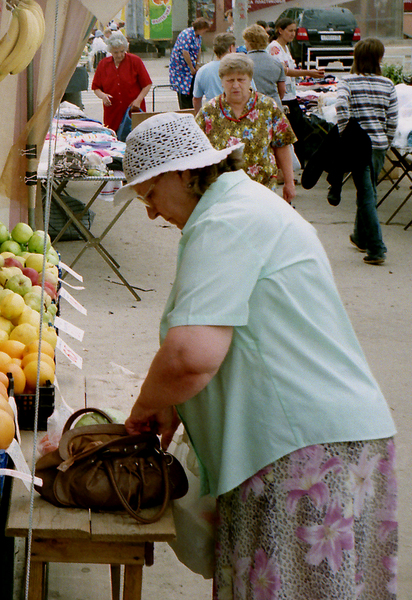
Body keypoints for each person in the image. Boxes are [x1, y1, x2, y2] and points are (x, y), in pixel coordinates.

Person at [117, 111, 397, 599]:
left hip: (304, 449)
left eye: (149, 194)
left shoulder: (227, 220)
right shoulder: (236, 207)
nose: (151, 213)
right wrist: (171, 403)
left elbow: (191, 355)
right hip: (318, 440)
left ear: (184, 173)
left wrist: (145, 408)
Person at [195, 53, 296, 202]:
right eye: (230, 80)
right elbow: (196, 150)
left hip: (262, 188)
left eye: (241, 79)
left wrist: (289, 182)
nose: (236, 85)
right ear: (221, 81)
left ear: (250, 80)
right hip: (221, 192)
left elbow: (282, 145)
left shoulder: (267, 107)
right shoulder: (209, 111)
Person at [336, 38, 398, 266]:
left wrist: (345, 134)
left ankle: (376, 247)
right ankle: (359, 235)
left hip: (358, 146)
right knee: (369, 191)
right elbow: (393, 118)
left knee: (366, 193)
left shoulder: (347, 82)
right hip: (379, 145)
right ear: (379, 58)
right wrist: (387, 140)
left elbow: (341, 107)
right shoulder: (387, 84)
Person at [267, 17, 324, 166]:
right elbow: (283, 71)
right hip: (283, 97)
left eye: (295, 31)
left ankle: (297, 164)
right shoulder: (274, 48)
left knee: (298, 131)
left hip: (291, 94)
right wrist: (307, 73)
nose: (293, 34)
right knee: (290, 132)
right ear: (280, 30)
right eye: (290, 30)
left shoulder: (286, 47)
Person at [91, 31, 152, 132]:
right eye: (116, 52)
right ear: (110, 51)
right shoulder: (103, 64)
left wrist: (138, 100)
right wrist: (103, 96)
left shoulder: (135, 61)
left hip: (133, 110)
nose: (119, 55)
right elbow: (96, 87)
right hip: (112, 112)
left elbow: (147, 84)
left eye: (122, 51)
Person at [170, 18, 212, 110]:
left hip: (191, 67)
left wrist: (197, 64)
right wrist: (191, 68)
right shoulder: (187, 34)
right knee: (184, 93)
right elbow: (185, 52)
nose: (206, 31)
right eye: (205, 29)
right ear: (201, 28)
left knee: (193, 91)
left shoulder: (198, 36)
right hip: (181, 69)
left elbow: (199, 49)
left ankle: (193, 111)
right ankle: (186, 111)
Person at [243, 24, 285, 110]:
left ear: (248, 42)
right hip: (274, 106)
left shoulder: (242, 63)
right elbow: (282, 90)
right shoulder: (276, 63)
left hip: (252, 107)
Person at [192, 32, 236, 113]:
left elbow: (196, 99)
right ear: (231, 48)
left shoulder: (203, 70)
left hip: (213, 115)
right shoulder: (241, 69)